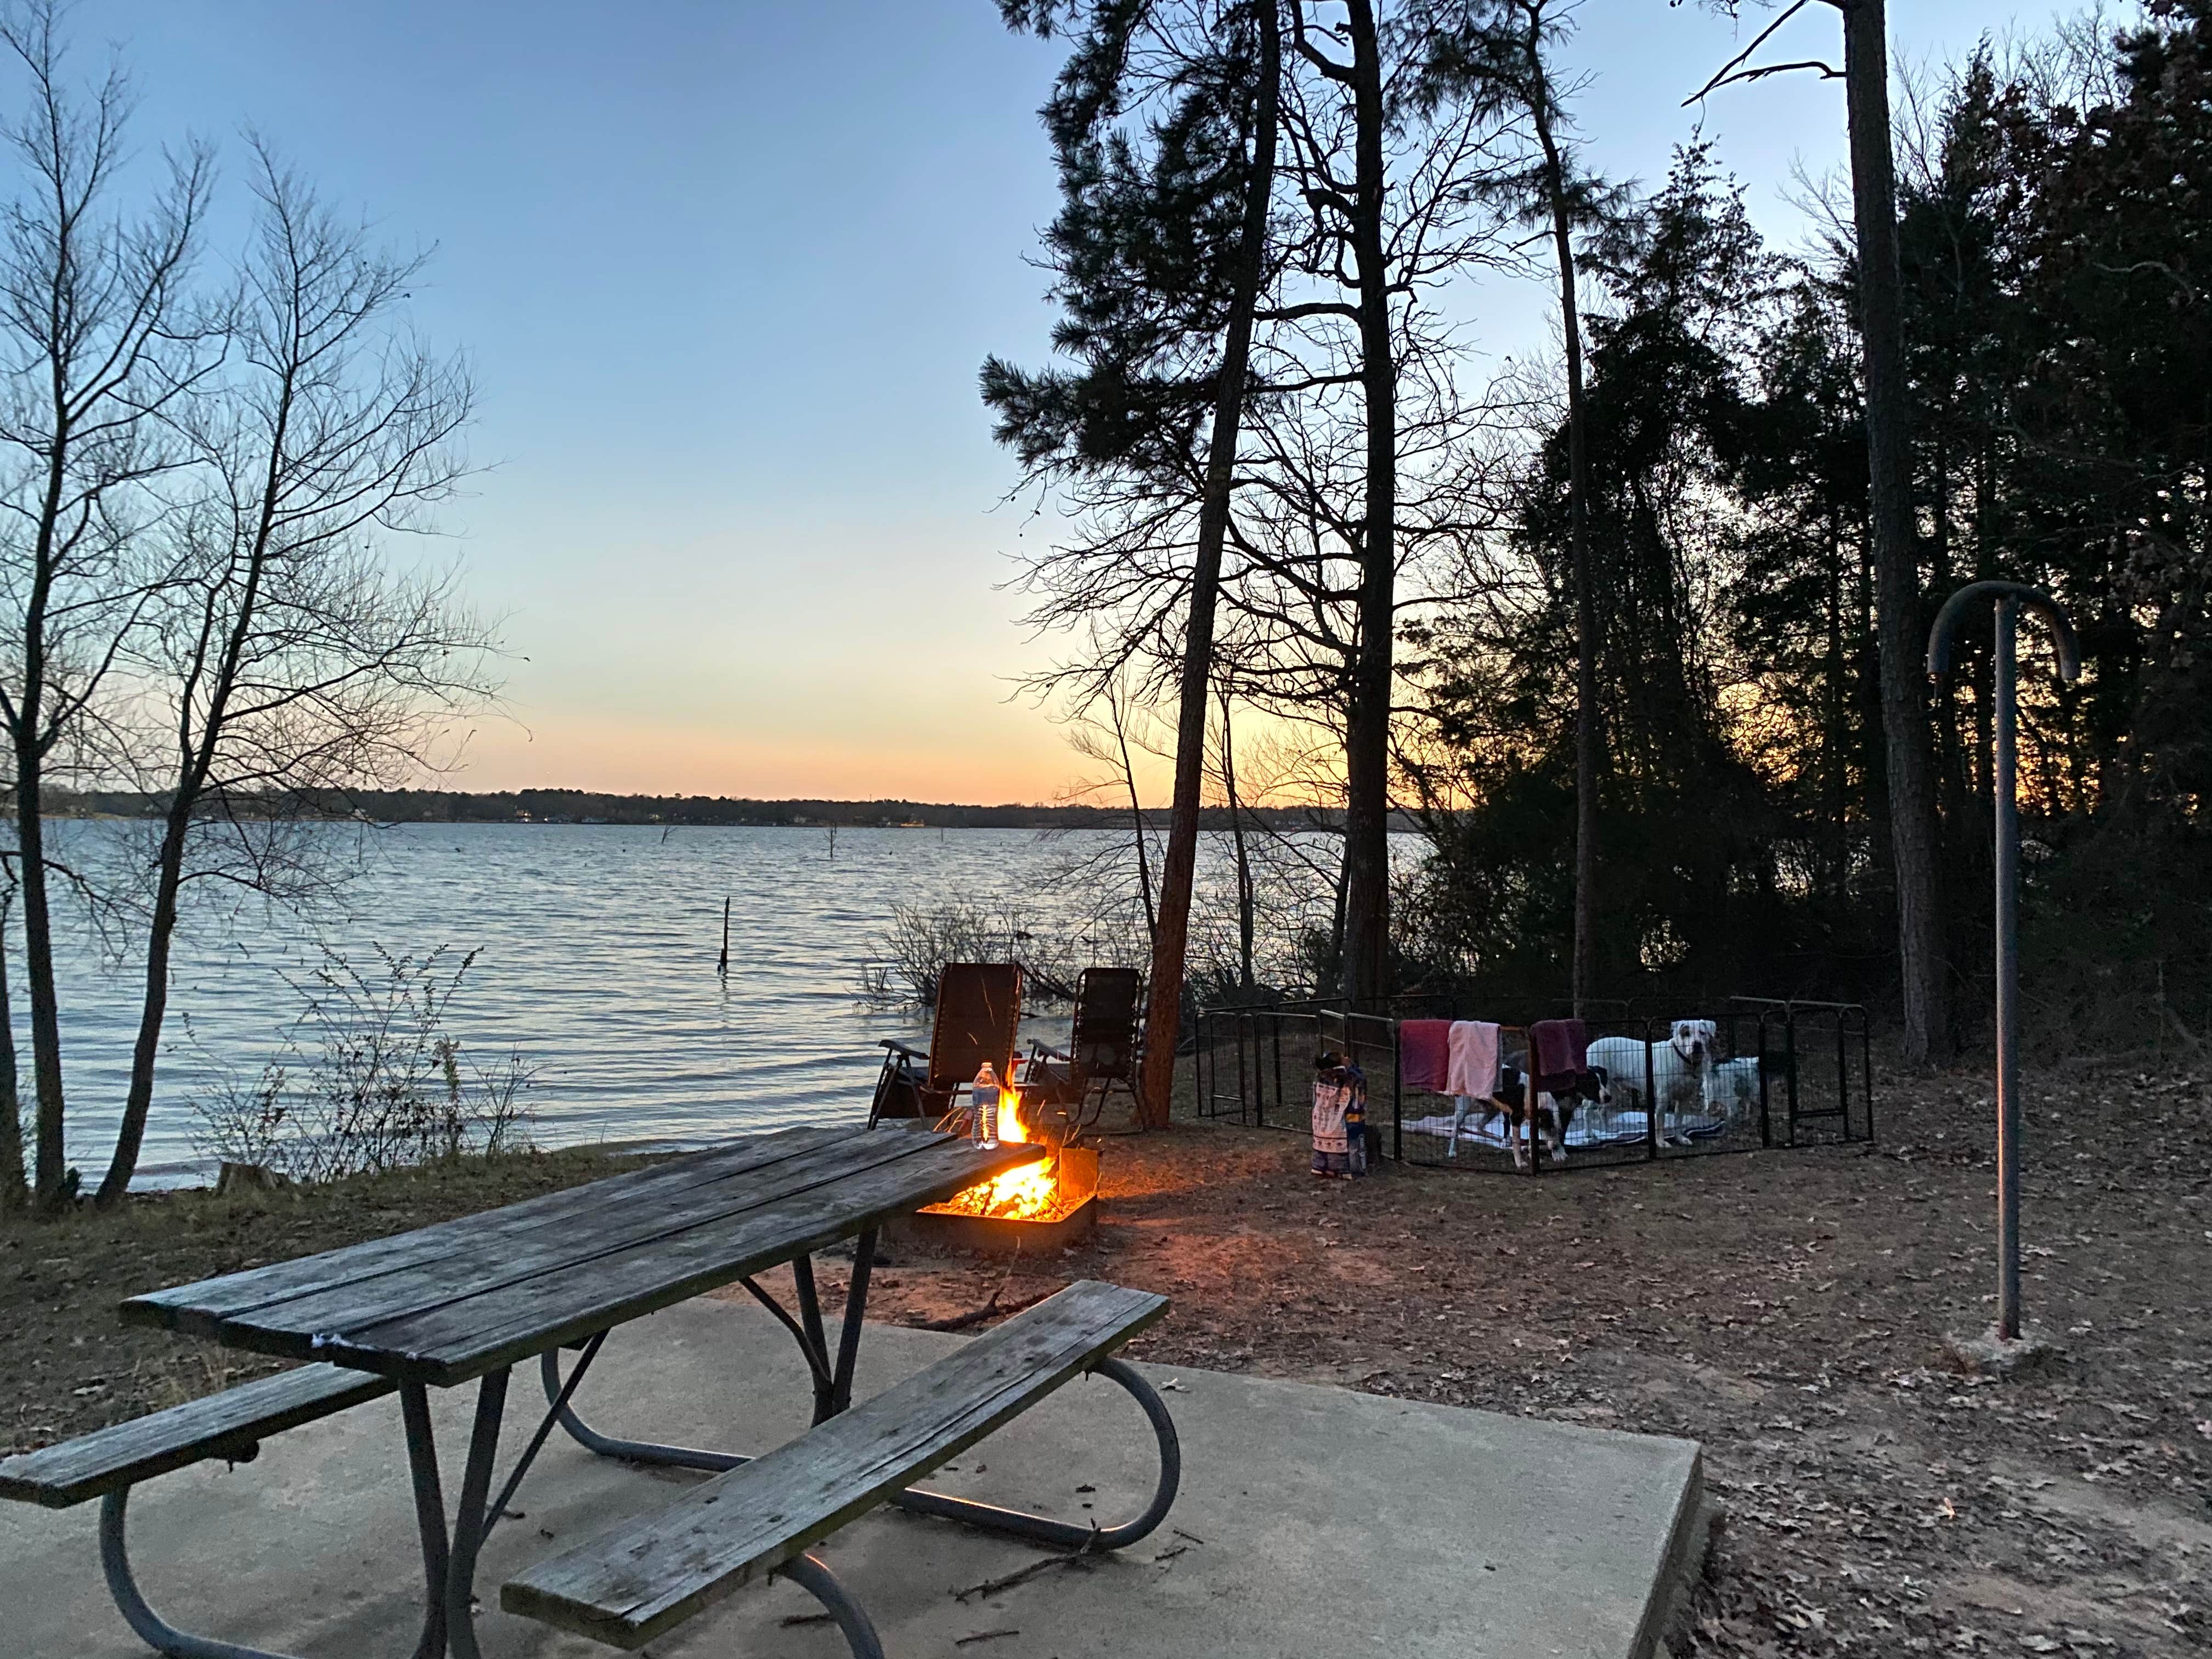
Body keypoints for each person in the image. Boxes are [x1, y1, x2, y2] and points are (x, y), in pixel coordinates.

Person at [1311, 1050, 1369, 1178]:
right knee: (1350, 1144)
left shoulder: (1321, 1077)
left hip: (1322, 1120)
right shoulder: (1350, 1078)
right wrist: (1351, 1067)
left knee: (1323, 1144)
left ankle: (1321, 1166)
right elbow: (1361, 1081)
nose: (1347, 1057)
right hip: (1346, 1120)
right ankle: (1349, 1170)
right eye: (1343, 1057)